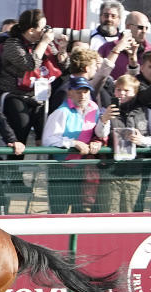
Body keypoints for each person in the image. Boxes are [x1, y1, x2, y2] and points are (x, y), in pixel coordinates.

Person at [0, 9, 65, 156]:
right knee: (21, 129)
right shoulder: (11, 44)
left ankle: (44, 173)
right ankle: (14, 173)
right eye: (43, 28)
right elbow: (30, 64)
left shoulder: (45, 44)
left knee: (45, 133)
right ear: (31, 30)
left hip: (37, 95)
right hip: (13, 94)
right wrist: (44, 42)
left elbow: (64, 67)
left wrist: (62, 50)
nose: (46, 31)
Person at [94, 74, 151, 212]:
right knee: (109, 212)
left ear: (135, 92)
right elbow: (100, 134)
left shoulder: (146, 112)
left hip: (134, 172)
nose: (121, 93)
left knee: (129, 212)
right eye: (118, 90)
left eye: (126, 90)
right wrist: (105, 119)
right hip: (110, 172)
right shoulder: (105, 110)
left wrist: (143, 140)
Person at [43, 76, 104, 213]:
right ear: (70, 92)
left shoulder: (94, 108)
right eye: (78, 92)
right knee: (59, 212)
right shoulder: (61, 112)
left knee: (82, 212)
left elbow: (98, 132)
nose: (82, 95)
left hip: (83, 169)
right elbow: (48, 139)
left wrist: (97, 141)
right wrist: (73, 143)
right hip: (61, 170)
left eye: (85, 92)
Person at [99, 12, 151, 79]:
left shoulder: (150, 52)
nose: (144, 31)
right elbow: (97, 73)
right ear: (128, 27)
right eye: (140, 27)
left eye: (146, 28)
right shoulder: (107, 48)